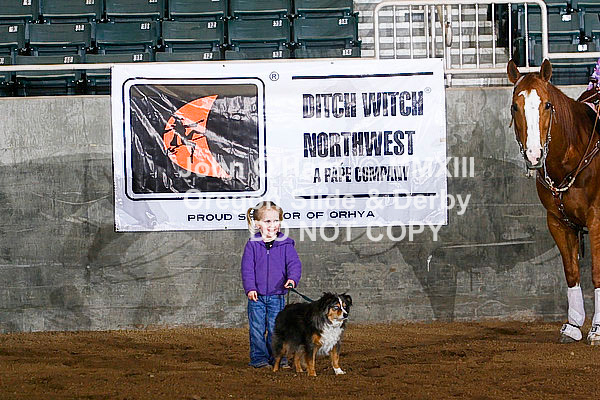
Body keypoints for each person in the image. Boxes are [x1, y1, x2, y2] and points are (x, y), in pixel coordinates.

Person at [240, 201, 302, 368]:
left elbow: (294, 264)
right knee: (257, 329)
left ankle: (278, 358)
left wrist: (292, 279)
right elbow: (247, 269)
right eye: (267, 221)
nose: (273, 225)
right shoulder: (252, 244)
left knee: (276, 328)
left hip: (277, 295)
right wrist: (250, 288)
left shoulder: (286, 244)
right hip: (256, 297)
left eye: (276, 221)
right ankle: (258, 358)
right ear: (257, 224)